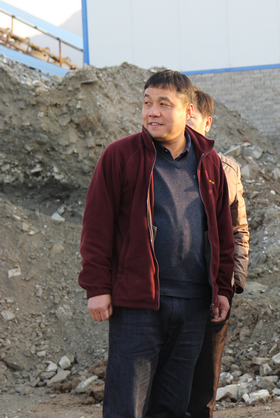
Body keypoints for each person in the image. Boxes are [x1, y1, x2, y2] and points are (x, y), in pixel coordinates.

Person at [79, 70, 235, 418]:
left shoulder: (209, 162)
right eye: (147, 103)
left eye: (164, 104)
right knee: (127, 406)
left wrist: (222, 288)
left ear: (188, 110)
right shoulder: (120, 156)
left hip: (193, 303)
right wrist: (97, 287)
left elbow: (222, 232)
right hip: (139, 302)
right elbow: (97, 227)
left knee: (172, 407)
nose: (152, 112)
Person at [185, 88, 250, 418]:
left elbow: (238, 230)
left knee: (204, 378)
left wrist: (231, 283)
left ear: (207, 123)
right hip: (168, 290)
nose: (183, 123)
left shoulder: (226, 170)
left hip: (211, 288)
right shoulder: (150, 163)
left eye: (191, 117)